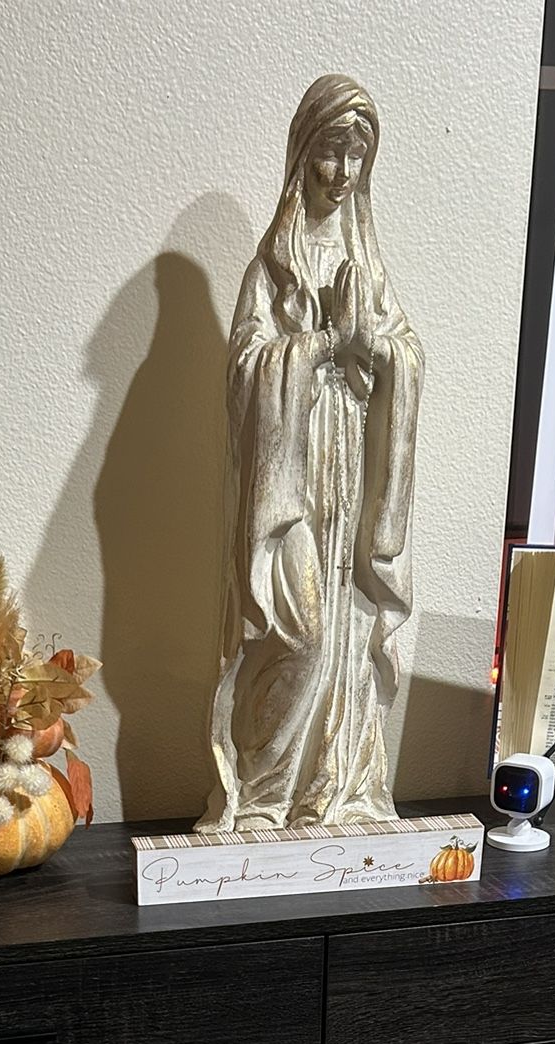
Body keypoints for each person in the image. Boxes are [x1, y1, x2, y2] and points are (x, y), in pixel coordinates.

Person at [196, 75, 424, 833]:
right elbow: (244, 372)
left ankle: (335, 790)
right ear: (302, 155)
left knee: (350, 636)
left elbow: (405, 351)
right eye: (330, 153)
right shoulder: (270, 267)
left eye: (357, 157)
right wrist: (326, 344)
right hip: (289, 478)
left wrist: (384, 353)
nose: (342, 173)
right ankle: (262, 796)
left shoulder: (372, 264)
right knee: (299, 630)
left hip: (352, 469)